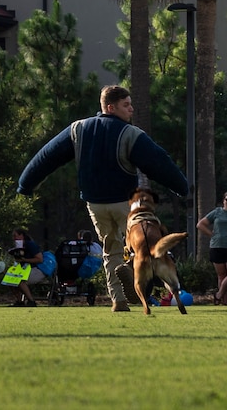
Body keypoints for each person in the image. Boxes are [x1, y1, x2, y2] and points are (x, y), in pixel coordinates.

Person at [18, 85, 189, 312]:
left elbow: (47, 156)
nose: (132, 109)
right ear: (111, 107)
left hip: (95, 204)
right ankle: (135, 272)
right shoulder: (130, 134)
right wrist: (182, 187)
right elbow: (160, 163)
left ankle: (118, 300)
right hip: (125, 203)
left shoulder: (78, 129)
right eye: (126, 105)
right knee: (144, 244)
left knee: (110, 250)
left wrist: (26, 184)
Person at [6, 228, 45, 307]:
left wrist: (25, 260)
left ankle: (31, 301)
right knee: (9, 279)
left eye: (15, 236)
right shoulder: (17, 247)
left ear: (22, 236)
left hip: (37, 270)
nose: (14, 238)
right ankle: (20, 301)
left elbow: (40, 259)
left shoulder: (30, 244)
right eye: (13, 237)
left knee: (19, 279)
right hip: (25, 270)